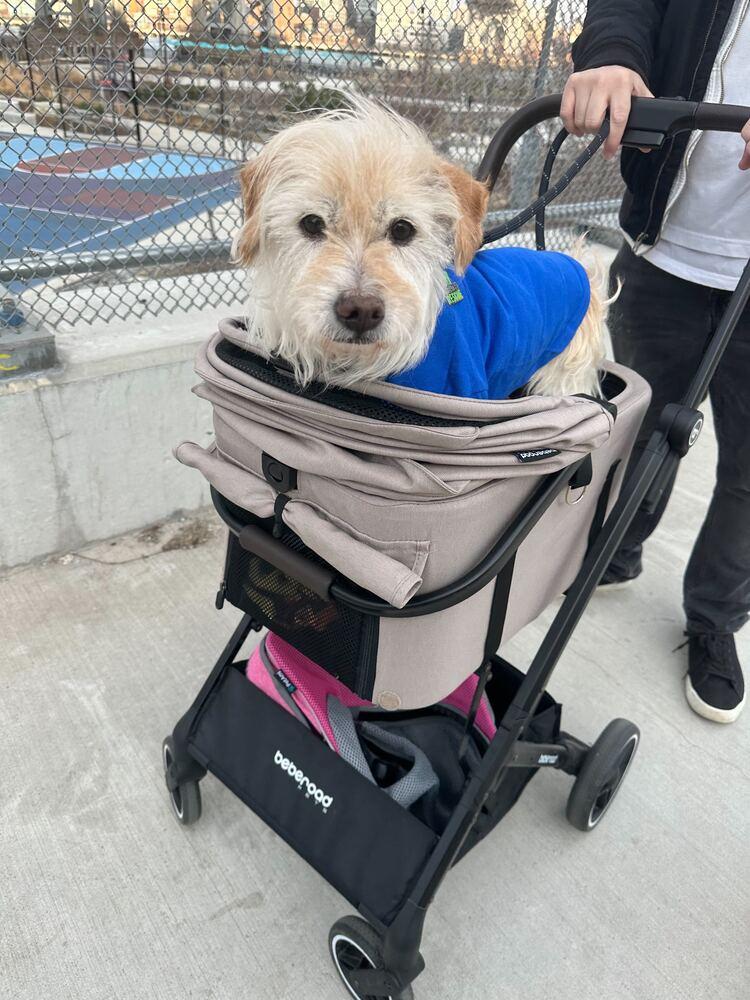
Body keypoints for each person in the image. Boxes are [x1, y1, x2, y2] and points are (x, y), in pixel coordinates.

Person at [562, 0, 750, 723]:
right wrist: (612, 54)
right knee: (643, 430)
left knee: (745, 477)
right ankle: (619, 548)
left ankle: (714, 621)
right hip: (665, 248)